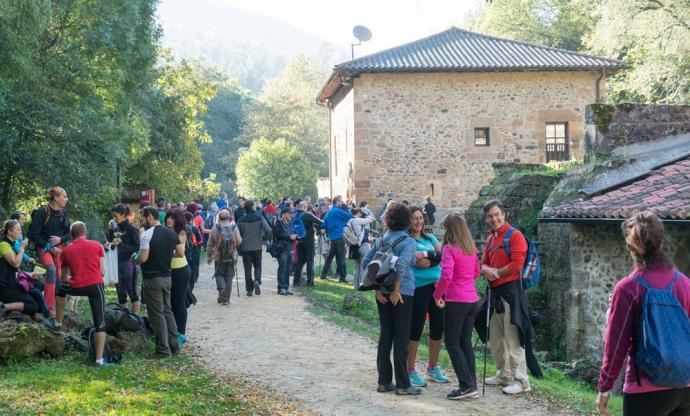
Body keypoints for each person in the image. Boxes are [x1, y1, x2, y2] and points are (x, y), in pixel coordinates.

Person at [596, 211, 690, 416]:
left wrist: (605, 387)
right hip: (684, 387)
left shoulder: (628, 288)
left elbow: (616, 344)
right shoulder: (685, 284)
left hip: (645, 389)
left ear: (630, 247)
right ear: (662, 243)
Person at [361, 203, 419, 395]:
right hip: (402, 293)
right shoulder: (408, 241)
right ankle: (403, 384)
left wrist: (377, 288)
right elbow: (402, 265)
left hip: (382, 293)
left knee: (386, 335)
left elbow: (366, 263)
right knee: (401, 337)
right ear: (406, 221)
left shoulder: (381, 239)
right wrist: (396, 290)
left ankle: (384, 381)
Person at [480, 199, 532, 395]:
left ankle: (521, 381)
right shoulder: (490, 239)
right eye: (490, 216)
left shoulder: (515, 235)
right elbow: (483, 262)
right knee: (496, 338)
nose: (494, 219)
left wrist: (496, 273)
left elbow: (518, 264)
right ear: (487, 219)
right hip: (494, 294)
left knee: (513, 337)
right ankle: (504, 373)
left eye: (497, 214)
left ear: (504, 214)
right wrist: (486, 270)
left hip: (511, 293)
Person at [433, 213, 481, 400]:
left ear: (449, 229)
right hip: (472, 299)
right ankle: (472, 384)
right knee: (465, 342)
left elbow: (446, 276)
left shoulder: (449, 249)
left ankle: (465, 386)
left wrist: (438, 295)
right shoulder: (471, 248)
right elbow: (476, 272)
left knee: (452, 343)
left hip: (456, 300)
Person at [406, 206, 449, 387]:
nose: (419, 221)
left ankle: (432, 367)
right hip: (419, 288)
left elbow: (444, 256)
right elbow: (419, 264)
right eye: (414, 218)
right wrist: (434, 258)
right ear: (408, 221)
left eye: (420, 218)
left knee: (438, 327)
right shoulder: (408, 241)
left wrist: (427, 257)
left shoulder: (430, 238)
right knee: (415, 328)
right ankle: (410, 370)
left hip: (437, 288)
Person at [55, 222, 108, 365]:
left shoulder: (66, 251)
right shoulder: (97, 246)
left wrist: (74, 278)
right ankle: (99, 360)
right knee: (100, 323)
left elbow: (63, 278)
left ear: (71, 235)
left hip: (76, 286)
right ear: (85, 232)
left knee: (59, 290)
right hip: (95, 285)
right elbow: (102, 272)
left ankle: (58, 322)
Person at [136, 206, 182, 359]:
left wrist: (135, 259)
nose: (140, 221)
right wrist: (166, 255)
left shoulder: (146, 235)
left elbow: (143, 258)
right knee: (168, 311)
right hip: (167, 276)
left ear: (150, 217)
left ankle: (162, 350)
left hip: (152, 277)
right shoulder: (171, 232)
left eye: (142, 218)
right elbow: (180, 253)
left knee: (157, 314)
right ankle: (174, 346)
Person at [28, 186, 71, 319]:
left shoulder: (64, 213)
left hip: (59, 249)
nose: (67, 199)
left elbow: (68, 234)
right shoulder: (43, 211)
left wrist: (60, 239)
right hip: (44, 248)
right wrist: (48, 246)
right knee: (51, 270)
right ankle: (48, 306)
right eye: (64, 197)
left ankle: (56, 310)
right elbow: (32, 234)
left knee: (58, 278)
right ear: (56, 198)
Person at [0, 220, 41, 317]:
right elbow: (15, 264)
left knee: (37, 294)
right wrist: (22, 248)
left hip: (11, 284)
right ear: (10, 232)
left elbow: (14, 269)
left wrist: (30, 274)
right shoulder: (3, 245)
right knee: (33, 306)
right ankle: (3, 307)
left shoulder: (12, 245)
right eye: (18, 229)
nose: (21, 231)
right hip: (4, 287)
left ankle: (7, 309)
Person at [107, 203, 141, 314]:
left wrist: (121, 246)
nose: (114, 218)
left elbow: (137, 247)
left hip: (129, 263)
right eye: (113, 216)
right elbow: (110, 242)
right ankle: (124, 319)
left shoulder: (131, 229)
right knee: (121, 294)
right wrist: (110, 233)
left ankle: (136, 319)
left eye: (116, 216)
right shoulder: (115, 227)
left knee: (132, 293)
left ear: (123, 215)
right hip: (116, 264)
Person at [164, 209, 192, 344]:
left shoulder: (181, 232)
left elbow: (179, 252)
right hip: (168, 270)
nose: (169, 220)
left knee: (178, 302)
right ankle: (172, 331)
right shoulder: (166, 231)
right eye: (168, 217)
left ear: (178, 220)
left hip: (180, 270)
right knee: (169, 303)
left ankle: (181, 333)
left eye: (172, 218)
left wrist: (162, 253)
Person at [207, 209, 242, 303]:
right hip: (231, 257)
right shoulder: (234, 228)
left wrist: (209, 256)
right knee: (229, 277)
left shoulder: (215, 228)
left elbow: (210, 244)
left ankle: (221, 289)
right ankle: (226, 299)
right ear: (230, 218)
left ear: (219, 218)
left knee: (219, 274)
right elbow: (239, 241)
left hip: (219, 257)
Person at [237, 202, 271, 296]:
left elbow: (237, 234)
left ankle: (249, 289)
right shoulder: (259, 217)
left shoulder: (240, 220)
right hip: (257, 246)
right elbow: (268, 229)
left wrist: (238, 247)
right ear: (252, 207)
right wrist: (264, 239)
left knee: (247, 269)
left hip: (245, 247)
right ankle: (257, 280)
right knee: (258, 265)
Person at [320, 195, 352, 283]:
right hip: (339, 236)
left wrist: (324, 229)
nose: (342, 203)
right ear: (337, 201)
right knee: (341, 257)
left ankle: (323, 274)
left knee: (330, 257)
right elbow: (349, 216)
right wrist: (346, 208)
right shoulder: (338, 211)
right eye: (341, 201)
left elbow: (324, 224)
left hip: (332, 237)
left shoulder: (329, 212)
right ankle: (342, 277)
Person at [293, 201, 323, 287]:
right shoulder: (307, 215)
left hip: (299, 241)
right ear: (305, 207)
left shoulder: (295, 216)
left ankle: (296, 282)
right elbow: (320, 222)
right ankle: (310, 283)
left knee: (300, 262)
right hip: (309, 242)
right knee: (310, 262)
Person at [345, 207, 375, 290]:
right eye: (361, 213)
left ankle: (356, 287)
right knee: (364, 266)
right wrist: (368, 210)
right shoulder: (357, 220)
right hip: (362, 245)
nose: (362, 214)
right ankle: (362, 286)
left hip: (355, 246)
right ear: (358, 212)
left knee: (357, 267)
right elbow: (371, 219)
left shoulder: (350, 221)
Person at [273, 208, 296, 295]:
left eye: (291, 213)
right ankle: (281, 287)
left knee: (289, 269)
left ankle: (286, 287)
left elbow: (293, 233)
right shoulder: (278, 223)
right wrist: (289, 237)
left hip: (289, 248)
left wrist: (295, 238)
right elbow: (276, 234)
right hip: (282, 249)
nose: (291, 215)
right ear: (284, 214)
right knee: (283, 267)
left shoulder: (290, 224)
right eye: (289, 213)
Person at [183, 210, 203, 291]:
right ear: (192, 219)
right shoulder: (194, 228)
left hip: (184, 249)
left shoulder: (182, 228)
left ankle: (187, 278)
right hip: (194, 248)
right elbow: (200, 240)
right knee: (195, 264)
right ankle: (194, 278)